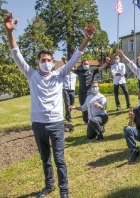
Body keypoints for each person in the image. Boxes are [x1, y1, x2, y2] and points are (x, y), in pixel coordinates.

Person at [4, 12, 95, 198]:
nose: (46, 63)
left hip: (56, 124)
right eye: (43, 60)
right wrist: (10, 33)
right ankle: (49, 186)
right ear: (38, 62)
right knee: (45, 159)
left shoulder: (59, 74)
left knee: (59, 159)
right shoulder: (31, 74)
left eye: (48, 60)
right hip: (37, 124)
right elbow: (16, 54)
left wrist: (86, 40)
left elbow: (76, 56)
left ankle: (64, 191)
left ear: (53, 62)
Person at [74, 58, 110, 124]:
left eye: (87, 64)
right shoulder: (79, 71)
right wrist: (65, 62)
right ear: (82, 65)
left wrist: (107, 62)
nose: (86, 65)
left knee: (92, 105)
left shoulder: (92, 70)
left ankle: (94, 117)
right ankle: (86, 120)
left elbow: (101, 68)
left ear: (89, 64)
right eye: (85, 64)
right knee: (83, 106)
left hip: (90, 91)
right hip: (81, 92)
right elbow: (71, 69)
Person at [62, 56, 77, 122]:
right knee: (67, 103)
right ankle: (68, 117)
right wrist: (64, 61)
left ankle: (67, 114)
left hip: (72, 90)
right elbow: (67, 66)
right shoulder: (65, 72)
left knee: (72, 104)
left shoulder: (75, 74)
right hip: (65, 89)